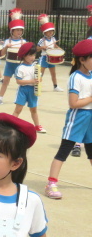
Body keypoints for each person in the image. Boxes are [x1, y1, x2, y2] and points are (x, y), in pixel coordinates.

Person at [45, 39, 92, 200]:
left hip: (90, 117)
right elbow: (73, 103)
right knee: (64, 150)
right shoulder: (75, 77)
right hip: (78, 117)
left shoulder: (91, 74)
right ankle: (51, 184)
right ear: (82, 60)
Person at [11, 42, 46, 134]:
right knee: (18, 109)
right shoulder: (20, 68)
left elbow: (40, 77)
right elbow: (19, 81)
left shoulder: (36, 66)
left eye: (34, 55)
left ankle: (37, 126)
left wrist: (39, 79)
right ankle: (11, 124)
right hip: (23, 90)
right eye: (30, 55)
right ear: (23, 56)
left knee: (34, 109)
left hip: (33, 90)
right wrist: (32, 81)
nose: (32, 57)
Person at [0, 9, 26, 106]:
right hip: (9, 64)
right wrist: (6, 47)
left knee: (22, 82)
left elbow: (26, 55)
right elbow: (1, 54)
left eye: (20, 30)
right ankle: (0, 98)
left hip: (20, 64)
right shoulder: (8, 41)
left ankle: (22, 99)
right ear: (12, 31)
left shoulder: (24, 42)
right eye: (17, 30)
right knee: (6, 81)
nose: (19, 32)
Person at [37, 14, 64, 92]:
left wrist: (60, 50)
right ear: (45, 32)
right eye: (48, 31)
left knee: (53, 73)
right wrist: (42, 47)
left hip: (52, 58)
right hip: (44, 57)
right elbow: (37, 49)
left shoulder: (53, 39)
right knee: (41, 73)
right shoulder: (42, 40)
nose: (50, 33)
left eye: (51, 31)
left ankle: (55, 86)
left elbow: (55, 46)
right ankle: (38, 85)